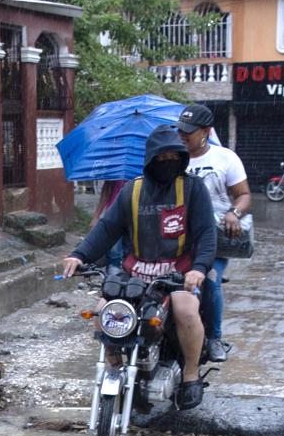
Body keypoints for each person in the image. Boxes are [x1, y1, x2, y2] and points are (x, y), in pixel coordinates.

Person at [59, 124, 217, 409]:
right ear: (150, 160)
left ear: (182, 158)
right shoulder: (132, 191)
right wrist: (79, 255)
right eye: (162, 158)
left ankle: (191, 375)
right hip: (135, 273)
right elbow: (106, 229)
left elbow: (207, 233)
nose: (168, 163)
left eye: (174, 157)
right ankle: (116, 367)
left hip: (177, 274)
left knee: (186, 311)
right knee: (102, 313)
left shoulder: (193, 189)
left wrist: (200, 268)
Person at [176, 103, 249, 364]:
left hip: (214, 236)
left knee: (209, 280)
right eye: (180, 130)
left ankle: (215, 337)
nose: (182, 135)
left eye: (189, 131)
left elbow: (243, 195)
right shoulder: (171, 158)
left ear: (205, 131)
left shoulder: (225, 158)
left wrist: (234, 213)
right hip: (176, 235)